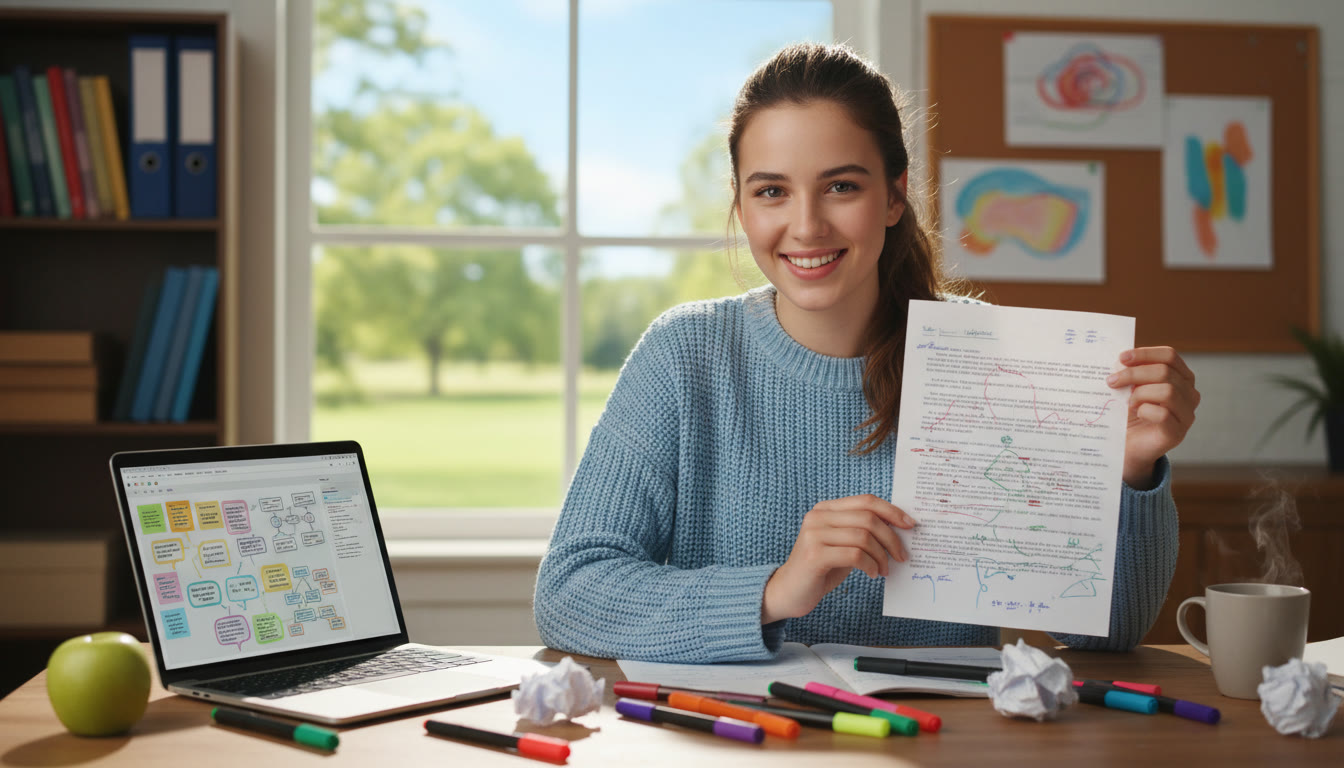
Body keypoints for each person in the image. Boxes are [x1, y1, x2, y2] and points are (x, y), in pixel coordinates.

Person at [533, 43, 1199, 663]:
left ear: (895, 194)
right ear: (740, 203)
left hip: (935, 741)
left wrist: (1132, 472)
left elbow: (1110, 636)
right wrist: (775, 591)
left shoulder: (993, 358)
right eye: (771, 191)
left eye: (841, 186)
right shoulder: (684, 357)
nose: (806, 226)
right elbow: (569, 593)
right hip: (740, 741)